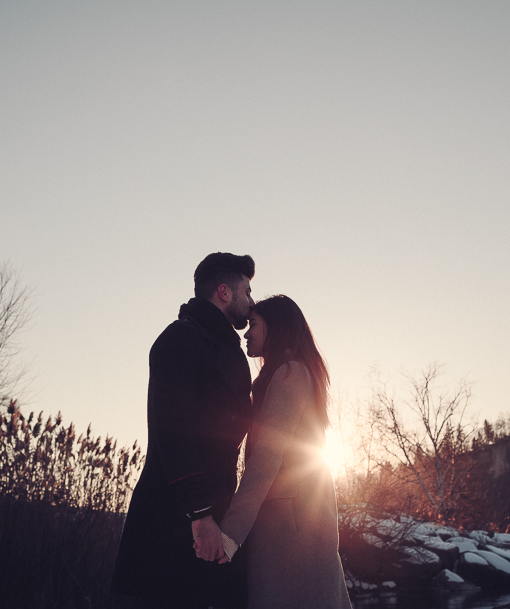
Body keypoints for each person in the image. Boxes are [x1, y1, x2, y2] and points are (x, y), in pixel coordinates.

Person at [111, 252, 256, 609]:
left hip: (216, 514)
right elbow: (174, 434)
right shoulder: (179, 340)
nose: (251, 303)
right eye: (247, 292)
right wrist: (200, 514)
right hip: (173, 520)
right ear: (224, 292)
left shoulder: (226, 349)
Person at [215, 295, 353, 609]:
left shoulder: (290, 373)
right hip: (298, 516)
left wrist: (232, 532)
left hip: (288, 524)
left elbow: (267, 454)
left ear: (276, 328)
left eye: (254, 325)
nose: (247, 333)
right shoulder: (295, 372)